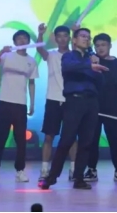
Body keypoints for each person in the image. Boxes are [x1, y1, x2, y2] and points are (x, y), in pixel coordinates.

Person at [39, 28, 108, 190]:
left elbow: (101, 83)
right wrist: (90, 66)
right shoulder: (68, 56)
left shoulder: (93, 59)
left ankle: (79, 178)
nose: (86, 39)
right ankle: (52, 177)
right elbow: (69, 67)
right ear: (74, 40)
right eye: (83, 36)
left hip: (91, 102)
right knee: (66, 140)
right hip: (74, 101)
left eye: (88, 37)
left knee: (86, 142)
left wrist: (95, 67)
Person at [0, 30, 38, 182]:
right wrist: (3, 50)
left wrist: (32, 103)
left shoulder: (31, 61)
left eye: (25, 38)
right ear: (15, 42)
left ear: (28, 42)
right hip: (4, 102)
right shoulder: (7, 56)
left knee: (20, 139)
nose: (22, 41)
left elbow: (32, 83)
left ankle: (20, 170)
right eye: (19, 39)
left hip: (20, 104)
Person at [84, 33, 117, 182]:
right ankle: (91, 169)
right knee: (92, 141)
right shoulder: (90, 62)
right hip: (93, 109)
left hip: (112, 109)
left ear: (110, 45)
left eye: (103, 45)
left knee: (115, 141)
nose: (100, 48)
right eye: (97, 45)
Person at [36, 24, 78, 182]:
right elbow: (40, 50)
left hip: (70, 100)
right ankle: (44, 170)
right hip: (53, 100)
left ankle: (74, 170)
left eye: (65, 36)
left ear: (69, 38)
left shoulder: (74, 55)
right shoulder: (52, 55)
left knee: (72, 136)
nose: (62, 39)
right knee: (49, 136)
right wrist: (40, 34)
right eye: (59, 36)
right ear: (55, 38)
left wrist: (76, 31)